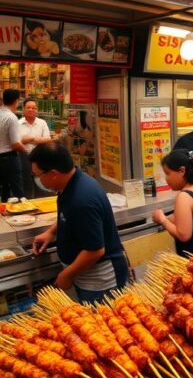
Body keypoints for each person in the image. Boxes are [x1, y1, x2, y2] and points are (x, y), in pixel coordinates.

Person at [30, 142, 128, 302]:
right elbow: (69, 216)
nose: (37, 180)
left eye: (37, 175)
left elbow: (95, 250)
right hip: (85, 276)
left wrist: (67, 275)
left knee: (103, 324)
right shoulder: (70, 184)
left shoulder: (82, 199)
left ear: (53, 173)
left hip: (100, 282)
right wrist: (51, 232)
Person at [19, 98, 54, 198]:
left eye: (34, 108)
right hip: (23, 157)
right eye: (28, 107)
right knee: (26, 183)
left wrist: (31, 139)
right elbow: (17, 142)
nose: (31, 110)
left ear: (37, 110)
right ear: (23, 109)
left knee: (41, 183)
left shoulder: (42, 123)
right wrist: (38, 140)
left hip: (40, 158)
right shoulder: (18, 123)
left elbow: (48, 139)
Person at [0, 89, 26, 202]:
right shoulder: (11, 117)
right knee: (17, 190)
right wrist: (27, 152)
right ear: (16, 101)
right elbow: (15, 144)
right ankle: (22, 214)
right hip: (9, 159)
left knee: (4, 189)